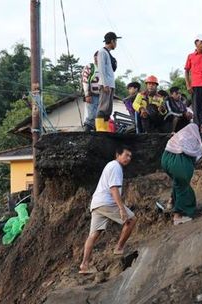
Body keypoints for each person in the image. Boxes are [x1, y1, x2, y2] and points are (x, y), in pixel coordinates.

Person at [79, 147, 136, 275]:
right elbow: (113, 189)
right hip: (106, 202)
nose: (128, 159)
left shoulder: (110, 166)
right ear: (118, 154)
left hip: (96, 203)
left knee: (93, 235)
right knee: (131, 219)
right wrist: (121, 209)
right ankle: (119, 248)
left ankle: (84, 265)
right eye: (126, 155)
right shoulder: (116, 166)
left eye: (130, 156)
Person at [161, 123, 202, 225]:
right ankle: (178, 216)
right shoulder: (191, 137)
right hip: (178, 163)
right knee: (183, 188)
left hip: (165, 159)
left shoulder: (180, 135)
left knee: (178, 183)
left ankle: (171, 202)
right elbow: (195, 153)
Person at [96, 32, 121, 132]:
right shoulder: (102, 52)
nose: (116, 44)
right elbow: (101, 69)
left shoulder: (107, 53)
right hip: (105, 84)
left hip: (110, 84)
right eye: (115, 41)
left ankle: (105, 128)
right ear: (112, 41)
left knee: (108, 109)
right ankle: (100, 129)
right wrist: (105, 84)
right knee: (103, 107)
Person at [81, 51, 101, 131]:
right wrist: (87, 94)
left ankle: (96, 130)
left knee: (99, 115)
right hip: (92, 94)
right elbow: (85, 81)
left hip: (102, 95)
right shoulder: (90, 67)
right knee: (92, 115)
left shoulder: (104, 68)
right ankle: (87, 130)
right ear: (94, 57)